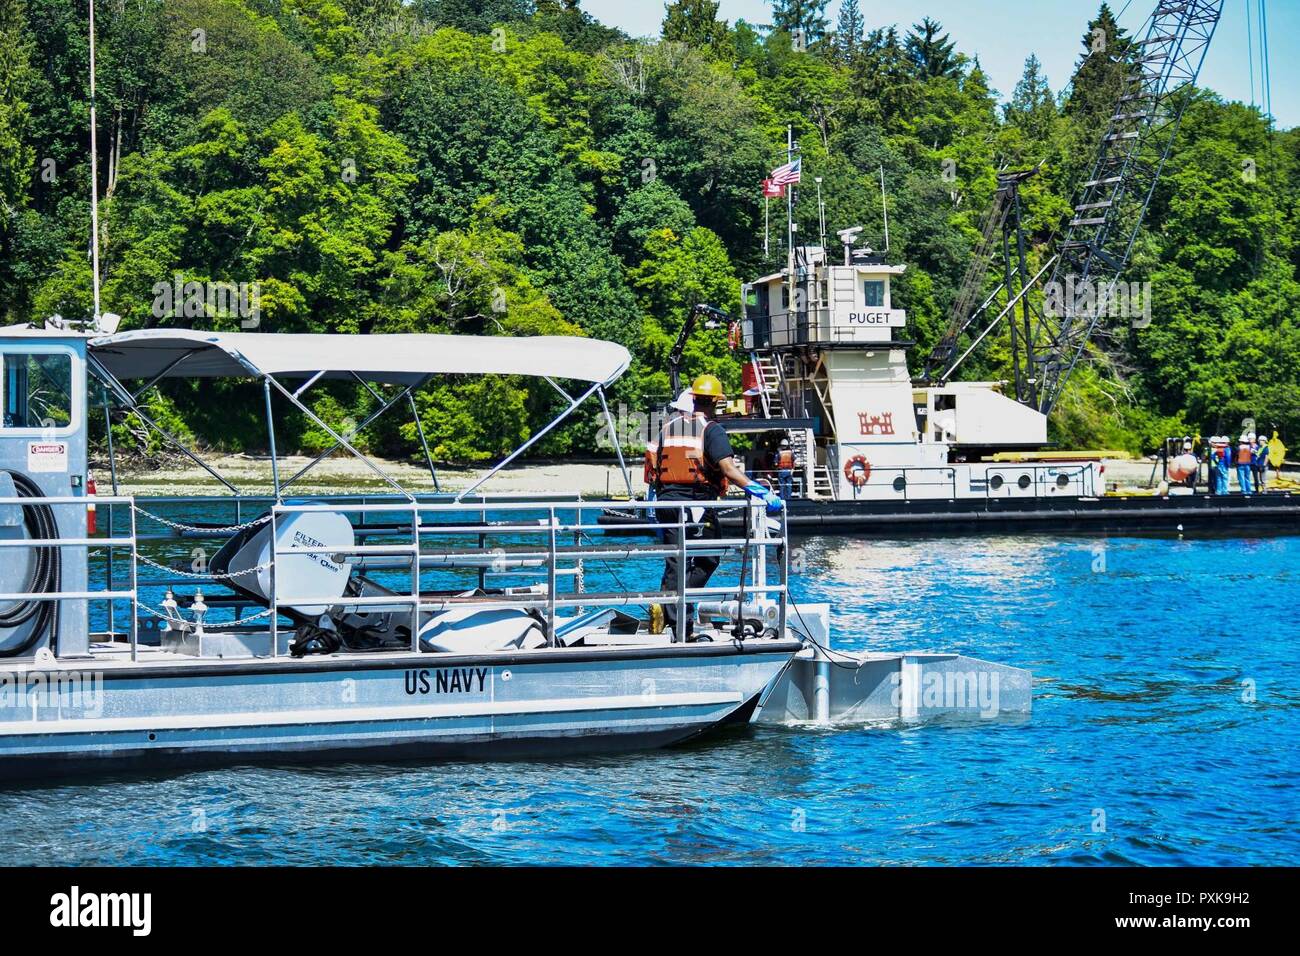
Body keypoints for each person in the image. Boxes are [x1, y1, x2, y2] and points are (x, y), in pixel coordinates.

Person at [650, 373, 782, 642]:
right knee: (708, 556)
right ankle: (679, 616)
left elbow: (654, 466)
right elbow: (728, 469)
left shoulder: (668, 426)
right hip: (695, 505)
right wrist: (758, 490)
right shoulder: (711, 430)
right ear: (716, 403)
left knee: (676, 561)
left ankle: (674, 611)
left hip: (666, 503)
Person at [775, 437, 796, 501]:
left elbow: (775, 464)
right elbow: (795, 462)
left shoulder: (779, 453)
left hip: (781, 471)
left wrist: (777, 467)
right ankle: (789, 498)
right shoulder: (791, 453)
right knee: (789, 485)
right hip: (789, 471)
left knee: (782, 485)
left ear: (781, 445)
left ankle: (782, 498)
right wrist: (793, 469)